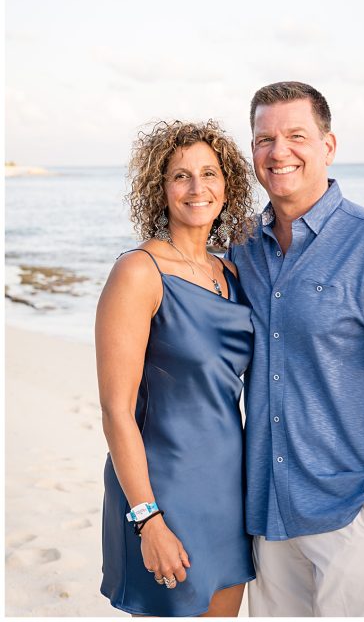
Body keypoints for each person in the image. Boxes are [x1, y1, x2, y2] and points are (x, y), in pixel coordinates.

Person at [230, 81, 364, 616]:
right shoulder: (242, 251)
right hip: (270, 512)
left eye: (296, 135)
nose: (279, 152)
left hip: (353, 514)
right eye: (264, 139)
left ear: (328, 146)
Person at [96, 120, 257, 616]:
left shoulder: (231, 271)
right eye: (180, 176)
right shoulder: (138, 272)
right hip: (162, 489)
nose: (196, 187)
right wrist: (148, 519)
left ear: (227, 185)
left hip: (231, 489)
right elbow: (115, 411)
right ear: (160, 189)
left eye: (209, 173)